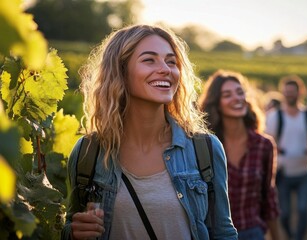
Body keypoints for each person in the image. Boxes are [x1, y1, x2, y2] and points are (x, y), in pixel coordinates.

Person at [61, 24, 238, 240]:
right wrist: (73, 233)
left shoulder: (206, 149)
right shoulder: (88, 153)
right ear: (121, 71)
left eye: (171, 61)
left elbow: (223, 233)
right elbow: (71, 223)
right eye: (149, 59)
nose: (165, 69)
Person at [199, 70, 281, 240]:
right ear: (216, 103)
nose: (237, 98)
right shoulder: (204, 146)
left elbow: (269, 197)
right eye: (227, 95)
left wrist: (276, 236)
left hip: (253, 232)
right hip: (214, 235)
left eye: (240, 92)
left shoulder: (263, 145)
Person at [265, 75, 307, 240]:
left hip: (305, 170)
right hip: (283, 172)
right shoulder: (275, 117)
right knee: (284, 214)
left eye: (292, 91)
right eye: (286, 92)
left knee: (304, 210)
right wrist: (276, 148)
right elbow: (267, 140)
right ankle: (291, 236)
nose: (289, 95)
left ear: (300, 93)